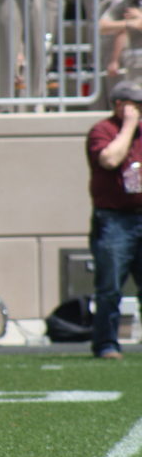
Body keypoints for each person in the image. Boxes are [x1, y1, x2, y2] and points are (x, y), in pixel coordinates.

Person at [85, 80, 142, 360]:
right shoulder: (103, 131)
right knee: (110, 288)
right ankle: (107, 343)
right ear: (119, 105)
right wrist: (129, 126)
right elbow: (110, 160)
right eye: (135, 105)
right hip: (115, 220)